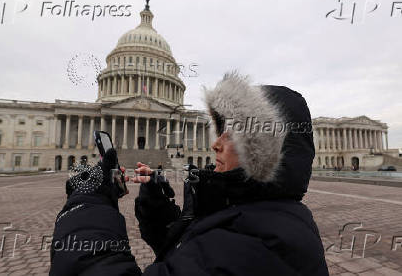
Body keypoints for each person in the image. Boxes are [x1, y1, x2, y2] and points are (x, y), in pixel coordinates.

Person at [50, 72, 329, 275]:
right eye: (220, 131)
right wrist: (155, 202)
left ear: (265, 151)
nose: (214, 143)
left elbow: (213, 253)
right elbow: (194, 247)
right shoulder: (256, 213)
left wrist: (88, 202)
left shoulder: (262, 241)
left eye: (231, 135)